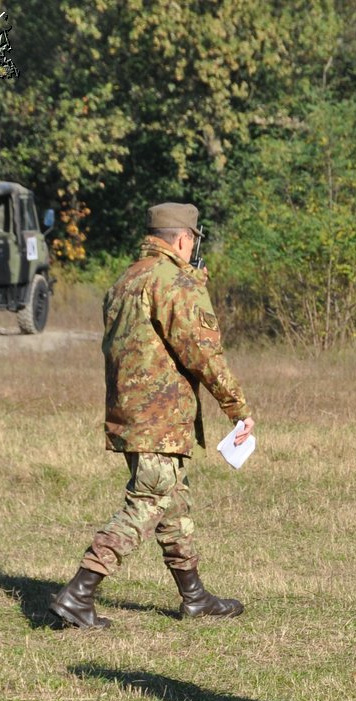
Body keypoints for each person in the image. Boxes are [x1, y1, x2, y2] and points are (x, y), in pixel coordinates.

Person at [50, 202, 255, 628]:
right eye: (193, 240)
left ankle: (195, 597)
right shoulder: (173, 280)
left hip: (132, 412)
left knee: (174, 503)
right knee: (148, 502)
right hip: (160, 416)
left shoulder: (127, 278)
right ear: (184, 238)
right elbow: (202, 352)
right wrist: (237, 408)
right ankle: (80, 591)